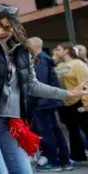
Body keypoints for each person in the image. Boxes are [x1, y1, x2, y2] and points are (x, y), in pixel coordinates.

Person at [0, 4, 88, 173]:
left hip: (9, 122)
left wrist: (68, 93)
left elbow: (32, 85)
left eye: (7, 27)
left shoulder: (23, 52)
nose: (1, 32)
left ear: (14, 28)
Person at [26, 37, 72, 171]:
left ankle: (53, 162)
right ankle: (64, 160)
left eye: (27, 45)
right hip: (48, 102)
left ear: (34, 46)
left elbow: (39, 84)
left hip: (42, 103)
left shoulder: (40, 61)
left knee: (46, 133)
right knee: (55, 131)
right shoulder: (45, 59)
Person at [53, 42, 88, 162]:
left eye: (58, 49)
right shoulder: (58, 65)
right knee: (72, 132)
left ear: (66, 50)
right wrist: (56, 57)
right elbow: (49, 66)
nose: (55, 51)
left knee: (86, 129)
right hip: (65, 103)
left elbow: (85, 83)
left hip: (79, 101)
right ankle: (78, 156)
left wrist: (86, 103)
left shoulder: (78, 64)